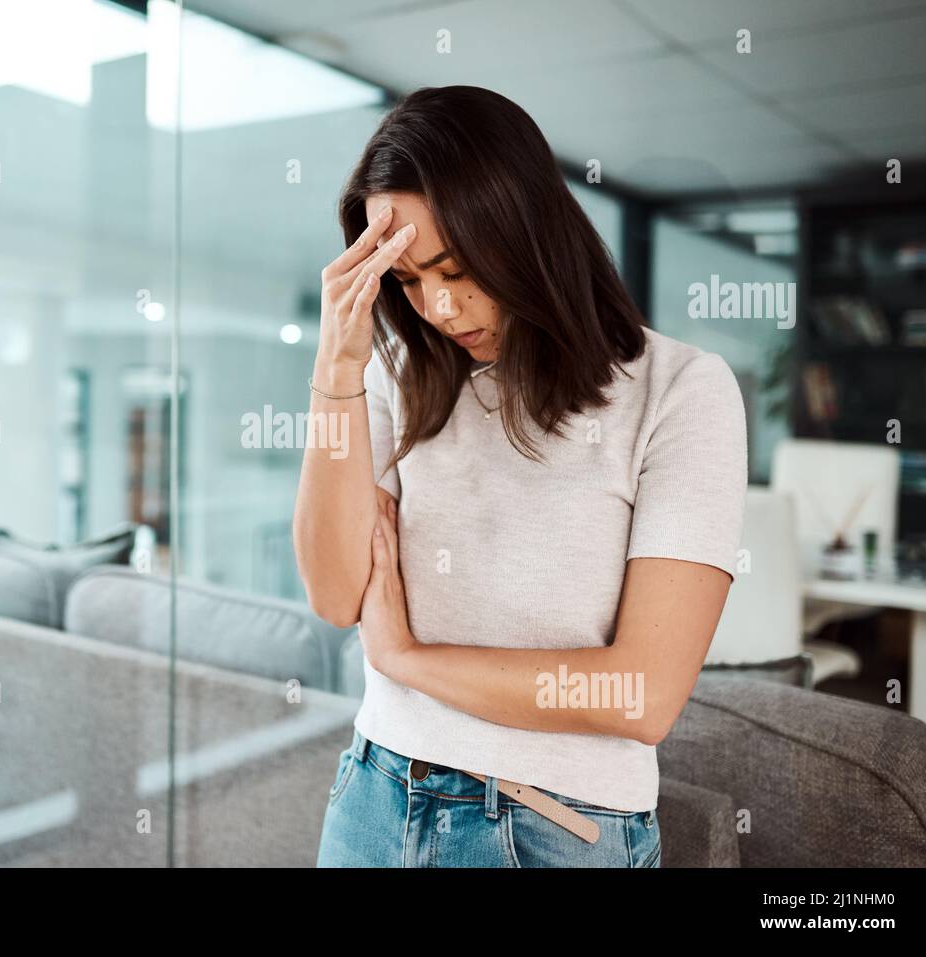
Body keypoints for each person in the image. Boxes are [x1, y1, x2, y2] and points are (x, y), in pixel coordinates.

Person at [292, 86, 747, 868]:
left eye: (456, 268)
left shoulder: (683, 390)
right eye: (406, 280)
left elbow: (639, 694)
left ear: (524, 232)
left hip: (548, 828)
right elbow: (336, 594)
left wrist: (407, 662)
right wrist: (336, 368)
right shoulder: (392, 374)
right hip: (375, 795)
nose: (436, 305)